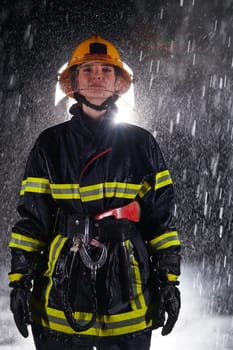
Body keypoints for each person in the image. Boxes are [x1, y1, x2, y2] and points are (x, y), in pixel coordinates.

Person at [8, 35, 181, 350]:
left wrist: (169, 281)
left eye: (106, 70)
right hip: (63, 290)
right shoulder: (50, 144)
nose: (97, 76)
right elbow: (32, 220)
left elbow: (161, 222)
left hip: (129, 290)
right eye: (87, 70)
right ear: (73, 81)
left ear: (118, 83)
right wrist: (19, 280)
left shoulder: (142, 145)